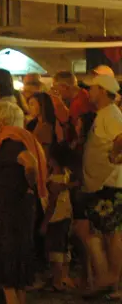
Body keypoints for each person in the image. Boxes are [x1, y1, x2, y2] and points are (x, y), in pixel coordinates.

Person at [0, 100, 49, 304]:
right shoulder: (16, 139)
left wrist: (31, 183)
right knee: (17, 261)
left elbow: (29, 162)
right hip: (17, 207)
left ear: (0, 120)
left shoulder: (11, 141)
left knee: (8, 261)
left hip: (9, 209)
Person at [81, 74, 122, 299]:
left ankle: (113, 279)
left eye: (93, 88)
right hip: (102, 184)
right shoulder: (105, 114)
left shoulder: (111, 114)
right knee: (100, 233)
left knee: (112, 233)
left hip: (109, 183)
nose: (90, 92)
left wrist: (115, 156)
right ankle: (108, 278)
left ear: (103, 91)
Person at [40, 146, 75, 292]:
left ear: (53, 160)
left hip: (56, 218)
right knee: (64, 247)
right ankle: (64, 277)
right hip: (67, 215)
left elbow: (52, 205)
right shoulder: (67, 175)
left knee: (55, 250)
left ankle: (57, 281)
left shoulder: (54, 180)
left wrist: (44, 223)